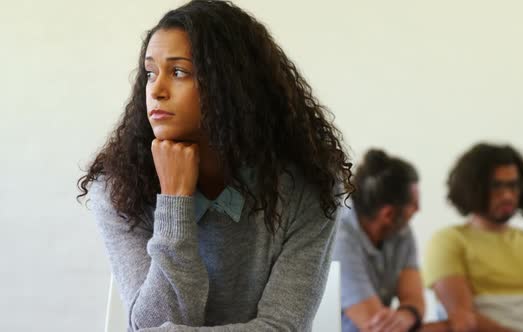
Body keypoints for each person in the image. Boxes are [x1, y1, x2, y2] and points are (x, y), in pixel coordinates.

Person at [77, 1, 352, 330]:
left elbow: (281, 327)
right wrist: (174, 202)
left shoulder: (308, 189)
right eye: (151, 73)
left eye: (179, 72)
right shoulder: (118, 189)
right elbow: (152, 323)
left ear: (231, 84)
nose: (156, 91)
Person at [424, 143, 523, 332]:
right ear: (473, 188)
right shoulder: (448, 241)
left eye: (513, 185)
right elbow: (464, 318)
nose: (507, 195)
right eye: (496, 186)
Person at [332, 149, 425, 332]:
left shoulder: (402, 232)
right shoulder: (340, 238)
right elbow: (373, 325)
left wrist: (406, 316)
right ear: (388, 214)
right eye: (413, 204)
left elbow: (415, 300)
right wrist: (408, 318)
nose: (418, 209)